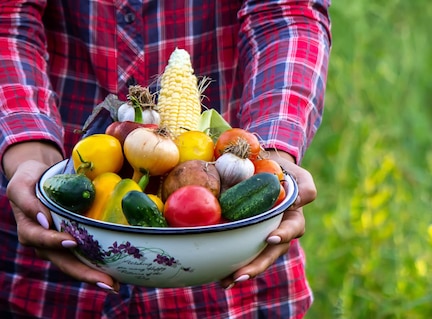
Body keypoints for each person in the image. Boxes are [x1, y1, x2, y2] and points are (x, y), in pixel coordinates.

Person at [0, 0, 331, 318]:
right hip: (48, 260)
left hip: (227, 255)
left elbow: (286, 14)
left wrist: (269, 156)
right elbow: (8, 21)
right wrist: (30, 155)